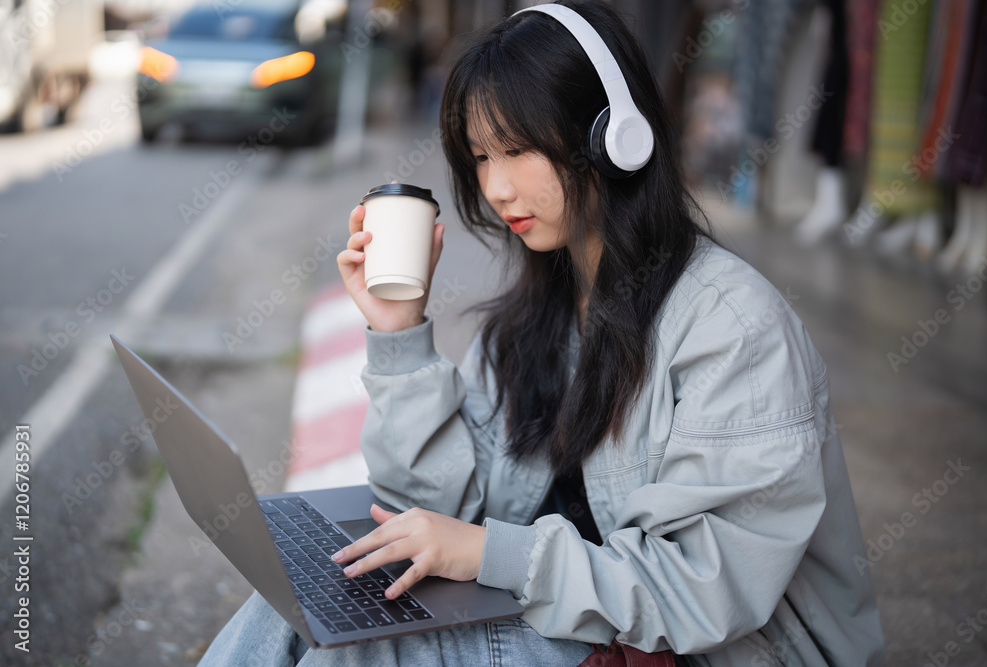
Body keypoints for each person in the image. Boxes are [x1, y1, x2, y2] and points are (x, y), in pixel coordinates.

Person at [198, 1, 885, 665]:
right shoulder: (538, 318)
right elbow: (444, 511)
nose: (495, 189)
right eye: (479, 157)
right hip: (569, 623)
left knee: (358, 651)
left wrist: (489, 553)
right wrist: (400, 335)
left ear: (613, 137)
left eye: (518, 149)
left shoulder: (734, 329)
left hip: (700, 650)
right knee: (299, 598)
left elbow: (704, 590)